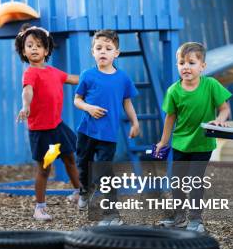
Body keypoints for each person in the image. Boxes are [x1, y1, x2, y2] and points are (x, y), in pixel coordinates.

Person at [155, 42, 231, 233]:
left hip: (203, 143)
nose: (186, 67)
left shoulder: (211, 85)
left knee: (196, 180)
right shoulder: (173, 91)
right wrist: (163, 142)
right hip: (181, 143)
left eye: (191, 62)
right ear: (177, 66)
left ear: (202, 66)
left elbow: (224, 108)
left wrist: (220, 120)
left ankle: (196, 219)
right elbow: (169, 118)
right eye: (181, 63)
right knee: (177, 181)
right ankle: (179, 216)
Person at [15, 24, 82, 221]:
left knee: (70, 158)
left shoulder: (54, 72)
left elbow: (73, 78)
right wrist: (25, 106)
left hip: (57, 127)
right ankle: (39, 208)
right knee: (44, 169)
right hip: (42, 131)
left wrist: (95, 77)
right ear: (24, 51)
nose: (34, 48)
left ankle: (79, 192)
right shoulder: (30, 73)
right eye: (29, 45)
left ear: (46, 50)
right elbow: (27, 90)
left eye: (38, 45)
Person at [74, 30, 140, 225]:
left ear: (116, 53)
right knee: (83, 166)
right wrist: (89, 107)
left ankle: (111, 214)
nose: (103, 52)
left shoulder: (123, 78)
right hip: (86, 131)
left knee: (104, 172)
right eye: (99, 48)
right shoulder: (87, 75)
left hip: (108, 135)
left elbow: (127, 102)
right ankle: (85, 191)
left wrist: (135, 122)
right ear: (92, 52)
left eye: (108, 48)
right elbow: (77, 100)